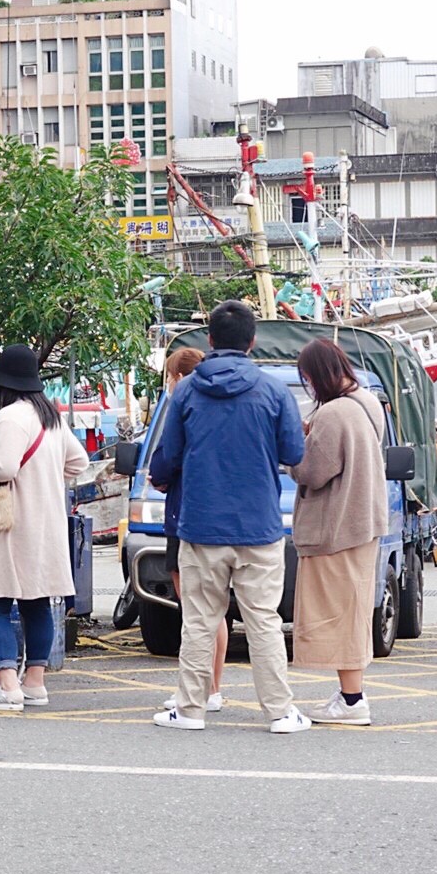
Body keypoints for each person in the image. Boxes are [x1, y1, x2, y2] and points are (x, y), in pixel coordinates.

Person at [149, 301, 311, 734]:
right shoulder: (274, 391)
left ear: (210, 340)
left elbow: (168, 458)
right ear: (253, 342)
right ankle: (279, 713)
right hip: (258, 524)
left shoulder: (185, 392)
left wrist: (165, 477)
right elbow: (294, 453)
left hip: (201, 523)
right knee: (264, 621)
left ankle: (189, 711)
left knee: (200, 620)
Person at [0, 344, 89, 712]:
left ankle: (7, 685)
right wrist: (46, 477)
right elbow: (79, 462)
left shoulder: (9, 418)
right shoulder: (50, 416)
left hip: (12, 523)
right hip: (46, 521)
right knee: (37, 602)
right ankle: (34, 682)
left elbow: (2, 468)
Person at [289, 339, 387, 726]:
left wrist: (299, 443)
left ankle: (352, 701)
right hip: (363, 521)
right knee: (354, 610)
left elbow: (312, 470)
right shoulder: (366, 402)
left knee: (338, 615)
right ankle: (351, 695)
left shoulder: (334, 414)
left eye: (307, 377)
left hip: (337, 524)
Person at [154, 347, 229, 714]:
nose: (168, 384)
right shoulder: (223, 406)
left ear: (180, 377)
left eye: (169, 376)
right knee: (215, 610)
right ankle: (212, 688)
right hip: (221, 518)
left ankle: (201, 690)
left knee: (197, 611)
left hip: (185, 516)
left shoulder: (183, 406)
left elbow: (165, 461)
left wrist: (160, 475)